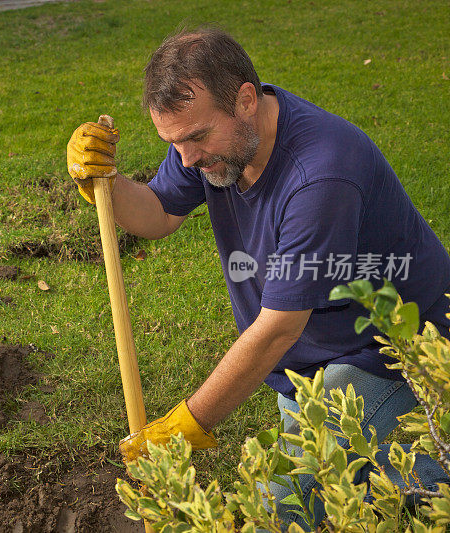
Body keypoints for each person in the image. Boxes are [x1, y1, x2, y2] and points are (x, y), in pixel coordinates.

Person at [66, 27, 450, 528]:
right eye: (174, 144)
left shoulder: (320, 174)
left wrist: (187, 423)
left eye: (196, 139)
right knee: (326, 484)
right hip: (311, 365)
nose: (187, 159)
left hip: (395, 357)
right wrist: (106, 185)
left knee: (275, 509)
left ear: (246, 99)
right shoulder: (214, 143)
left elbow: (276, 330)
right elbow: (157, 214)